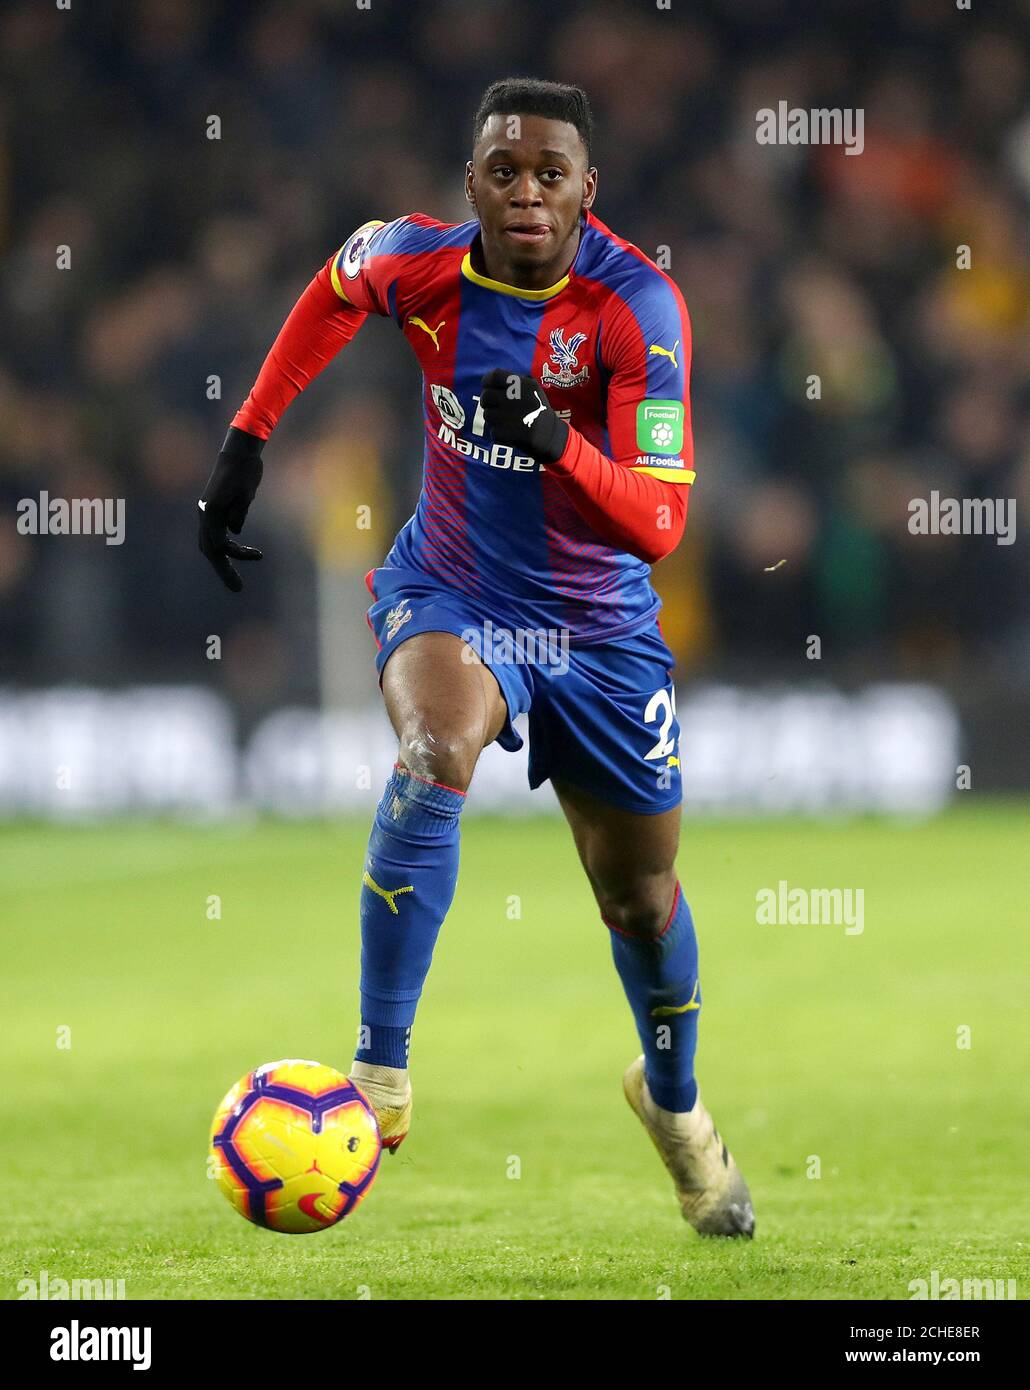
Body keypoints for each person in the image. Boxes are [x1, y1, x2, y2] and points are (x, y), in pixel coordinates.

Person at [199, 77, 754, 1237]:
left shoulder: (636, 308)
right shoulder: (420, 263)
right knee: (433, 748)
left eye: (551, 174)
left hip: (599, 630)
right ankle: (380, 1071)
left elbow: (657, 524)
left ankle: (674, 1103)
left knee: (640, 904)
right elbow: (332, 288)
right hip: (453, 587)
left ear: (586, 191)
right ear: (473, 183)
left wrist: (553, 439)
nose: (527, 193)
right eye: (504, 170)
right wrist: (249, 438)